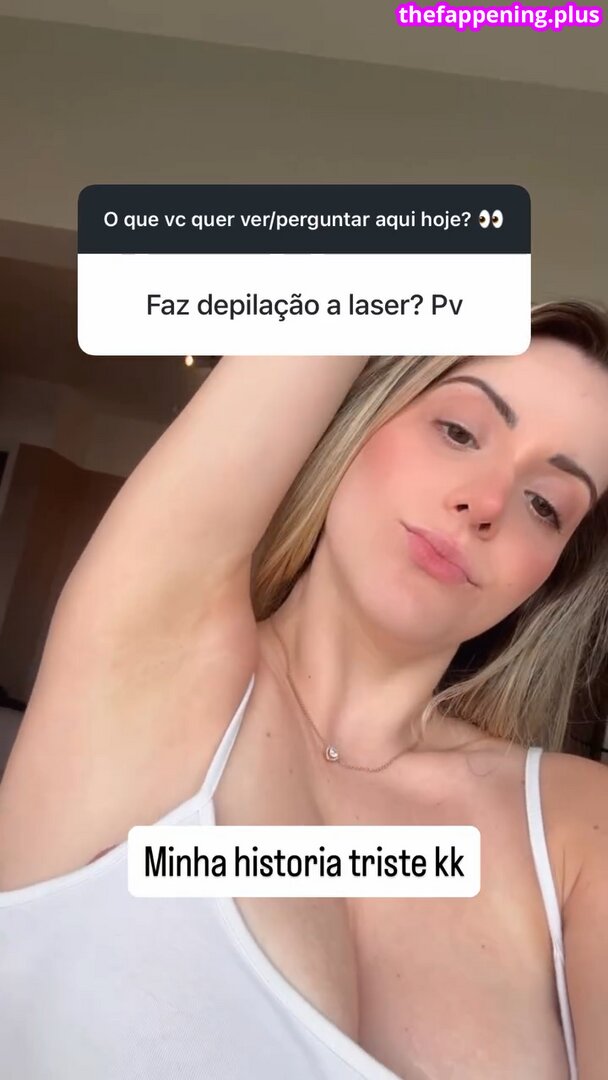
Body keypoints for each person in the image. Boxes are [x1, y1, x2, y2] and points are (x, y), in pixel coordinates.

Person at [1, 299, 607, 1080]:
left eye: (545, 504)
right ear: (359, 420)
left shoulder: (575, 827)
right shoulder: (157, 660)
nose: (486, 504)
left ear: (550, 576)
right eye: (458, 431)